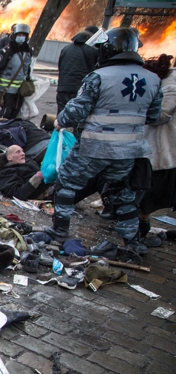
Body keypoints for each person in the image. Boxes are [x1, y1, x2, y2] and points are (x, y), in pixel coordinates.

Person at [48, 28, 162, 254]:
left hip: (94, 147)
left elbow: (76, 112)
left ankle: (59, 232)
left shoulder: (99, 77)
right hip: (128, 151)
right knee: (121, 191)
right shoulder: (153, 79)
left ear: (109, 48)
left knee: (66, 186)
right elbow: (153, 116)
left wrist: (60, 121)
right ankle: (132, 241)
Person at [139, 54, 176, 247]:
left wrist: (139, 109)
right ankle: (141, 227)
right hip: (159, 149)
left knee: (151, 194)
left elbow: (161, 115)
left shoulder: (170, 87)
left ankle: (141, 229)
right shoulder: (165, 83)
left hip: (165, 151)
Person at [0, 23, 32, 119]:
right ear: (14, 35)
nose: (21, 37)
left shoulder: (28, 51)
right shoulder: (7, 51)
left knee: (16, 112)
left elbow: (27, 68)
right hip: (7, 89)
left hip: (20, 89)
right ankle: (0, 129)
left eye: (23, 35)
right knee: (6, 111)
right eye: (19, 35)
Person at [56, 26, 100, 114]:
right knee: (76, 119)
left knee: (61, 119)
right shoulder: (93, 51)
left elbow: (60, 67)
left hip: (62, 89)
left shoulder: (66, 49)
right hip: (79, 91)